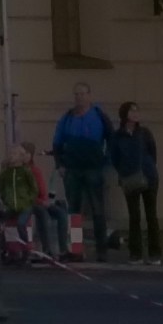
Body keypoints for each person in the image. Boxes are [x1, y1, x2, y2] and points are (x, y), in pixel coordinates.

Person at [49, 89, 113, 262]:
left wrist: (105, 162)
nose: (79, 97)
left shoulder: (99, 116)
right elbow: (57, 142)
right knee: (74, 212)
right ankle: (76, 248)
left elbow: (111, 139)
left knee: (97, 210)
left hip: (93, 168)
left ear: (89, 95)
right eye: (76, 93)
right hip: (73, 169)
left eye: (83, 93)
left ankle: (102, 250)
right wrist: (60, 165)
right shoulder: (67, 117)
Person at [107, 104, 161, 262]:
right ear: (124, 114)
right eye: (132, 110)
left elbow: (152, 152)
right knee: (134, 216)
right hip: (130, 179)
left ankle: (154, 253)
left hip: (149, 178)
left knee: (151, 215)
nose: (135, 114)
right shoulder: (117, 136)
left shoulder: (144, 133)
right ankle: (135, 252)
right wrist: (125, 172)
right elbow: (115, 158)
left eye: (137, 110)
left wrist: (148, 167)